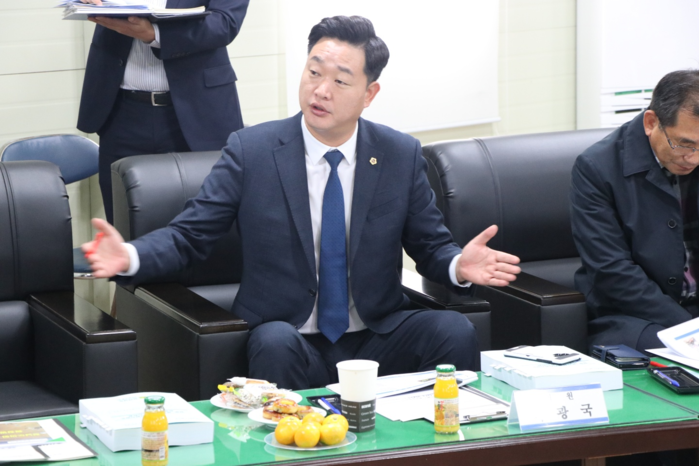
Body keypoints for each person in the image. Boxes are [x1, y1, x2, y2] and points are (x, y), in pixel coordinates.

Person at [84, 15, 521, 390]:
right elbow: (190, 235)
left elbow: (430, 246)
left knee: (452, 330)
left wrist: (457, 265)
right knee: (275, 343)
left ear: (369, 94)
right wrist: (129, 256)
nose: (321, 90)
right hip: (288, 336)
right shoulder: (252, 151)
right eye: (314, 72)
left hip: (376, 334)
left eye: (340, 80)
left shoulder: (398, 154)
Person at [77, 0, 249, 223]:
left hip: (196, 112)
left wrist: (156, 34)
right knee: (122, 220)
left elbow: (225, 22)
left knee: (205, 219)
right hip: (119, 111)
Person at [571, 69, 699, 352]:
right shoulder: (597, 168)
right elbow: (612, 271)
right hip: (634, 315)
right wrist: (688, 329)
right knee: (678, 356)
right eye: (684, 145)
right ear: (651, 122)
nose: (693, 159)